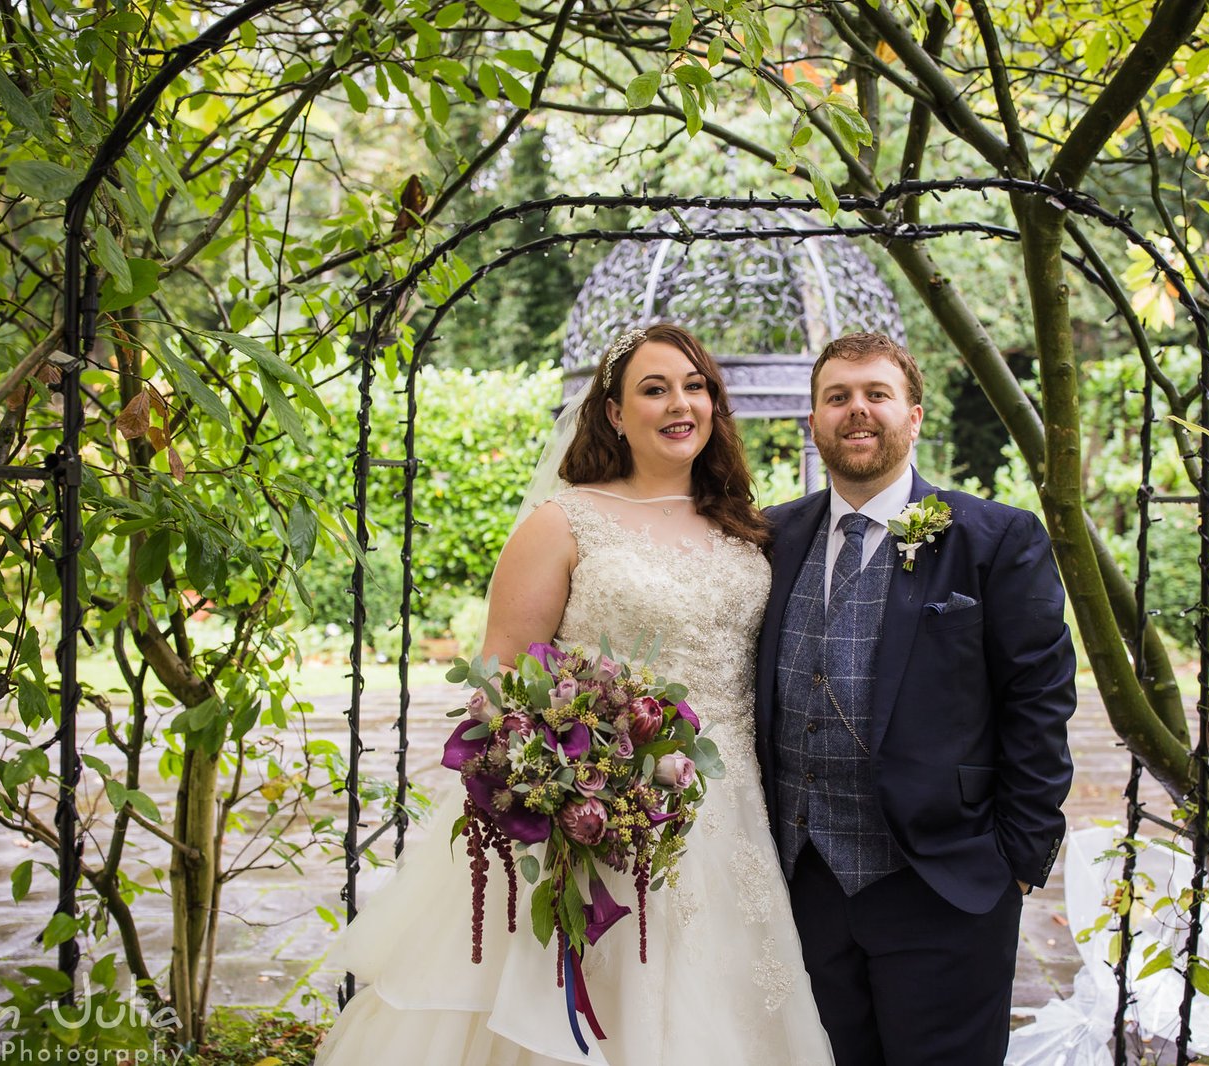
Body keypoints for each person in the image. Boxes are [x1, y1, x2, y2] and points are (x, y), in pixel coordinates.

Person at [316, 324, 835, 1066]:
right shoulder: (565, 522)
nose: (678, 403)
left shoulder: (745, 526)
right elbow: (496, 686)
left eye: (694, 387)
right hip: (606, 816)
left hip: (734, 813)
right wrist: (570, 782)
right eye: (653, 389)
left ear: (715, 405)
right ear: (616, 414)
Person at [754, 332, 1076, 1065]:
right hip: (802, 887)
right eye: (837, 397)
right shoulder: (771, 536)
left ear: (916, 416)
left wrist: (1017, 860)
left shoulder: (997, 539)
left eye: (876, 394)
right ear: (813, 421)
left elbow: (1040, 702)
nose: (856, 411)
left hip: (945, 885)